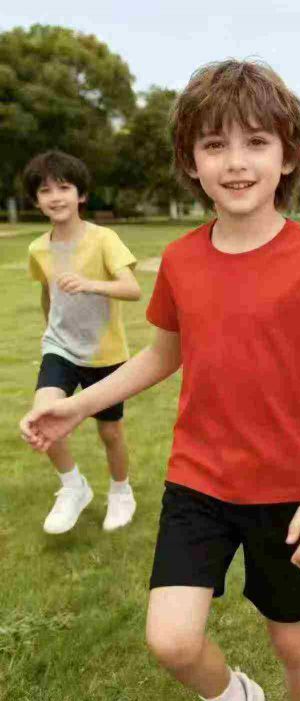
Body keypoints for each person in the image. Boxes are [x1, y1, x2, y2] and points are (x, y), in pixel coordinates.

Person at [20, 61, 300, 701]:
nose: (236, 161)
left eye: (256, 141)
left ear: (289, 155)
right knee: (171, 639)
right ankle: (236, 700)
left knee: (293, 640)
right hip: (198, 482)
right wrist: (76, 405)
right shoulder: (183, 260)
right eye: (215, 144)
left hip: (290, 491)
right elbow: (164, 354)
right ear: (192, 162)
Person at [23, 150, 141, 534]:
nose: (55, 197)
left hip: (105, 354)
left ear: (81, 194)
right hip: (60, 348)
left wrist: (90, 284)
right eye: (45, 190)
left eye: (63, 187)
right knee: (44, 419)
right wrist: (51, 333)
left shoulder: (104, 239)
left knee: (110, 432)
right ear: (36, 200)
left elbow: (132, 289)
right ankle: (73, 487)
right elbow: (48, 293)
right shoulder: (37, 249)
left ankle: (121, 492)